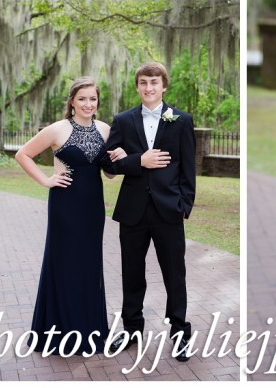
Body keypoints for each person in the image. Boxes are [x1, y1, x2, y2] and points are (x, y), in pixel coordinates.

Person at [14, 77, 119, 355]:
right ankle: (58, 334)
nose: (88, 104)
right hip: (65, 205)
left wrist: (118, 157)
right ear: (72, 101)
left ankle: (90, 332)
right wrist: (46, 180)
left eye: (93, 99)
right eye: (82, 98)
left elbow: (109, 173)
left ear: (98, 102)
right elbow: (22, 154)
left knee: (89, 265)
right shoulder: (57, 129)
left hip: (93, 206)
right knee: (63, 263)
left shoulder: (105, 129)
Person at [100, 62, 196, 361]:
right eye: (143, 82)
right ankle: (131, 329)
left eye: (154, 82)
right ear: (137, 86)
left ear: (164, 85)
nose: (148, 88)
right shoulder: (123, 120)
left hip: (169, 210)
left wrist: (184, 205)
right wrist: (139, 160)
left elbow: (188, 170)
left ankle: (180, 332)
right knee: (132, 272)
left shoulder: (181, 120)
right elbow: (110, 165)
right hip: (133, 211)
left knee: (174, 273)